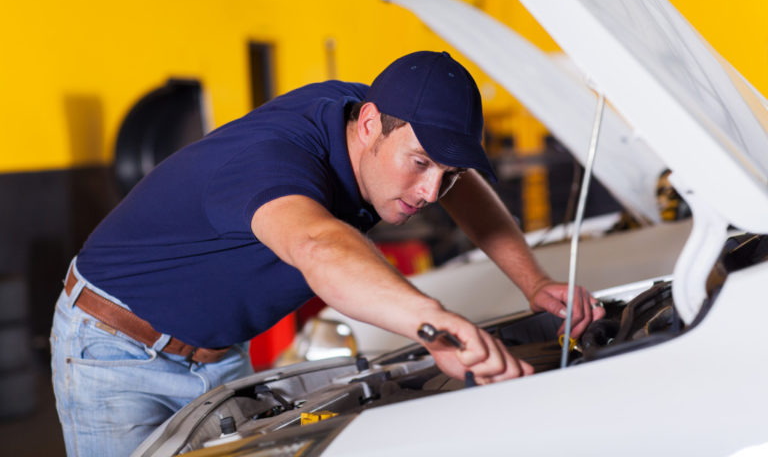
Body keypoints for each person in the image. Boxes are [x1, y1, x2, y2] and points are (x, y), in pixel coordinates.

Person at [50, 50, 605, 456]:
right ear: (369, 126)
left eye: (449, 172)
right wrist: (435, 325)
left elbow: (458, 184)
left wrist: (533, 283)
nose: (433, 192)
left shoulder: (379, 118)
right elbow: (320, 245)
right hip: (116, 353)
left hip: (219, 354)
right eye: (420, 164)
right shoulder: (271, 160)